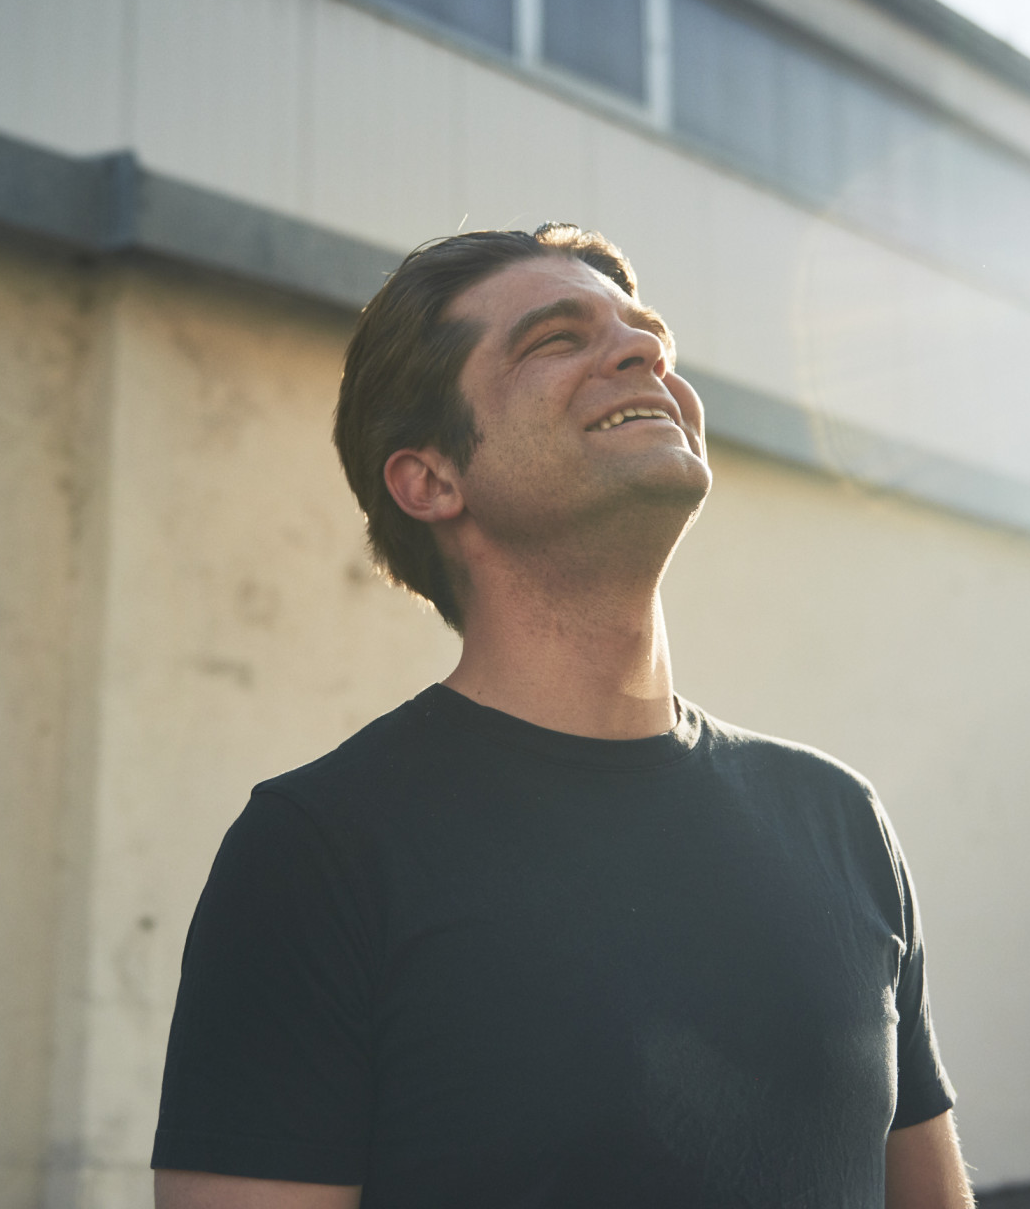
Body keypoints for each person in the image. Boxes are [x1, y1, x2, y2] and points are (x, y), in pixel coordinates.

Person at [151, 226, 972, 1209]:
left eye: (646, 332)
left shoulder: (838, 819)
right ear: (431, 479)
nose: (643, 351)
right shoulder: (316, 851)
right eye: (555, 339)